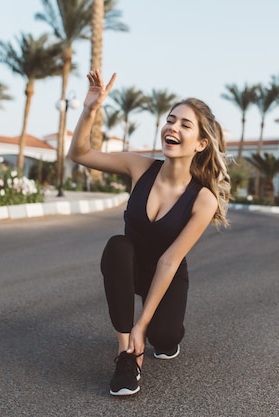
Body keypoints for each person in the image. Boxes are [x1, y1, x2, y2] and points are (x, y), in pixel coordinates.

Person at [68, 69, 231, 396]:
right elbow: (80, 154)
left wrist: (143, 325)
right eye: (171, 120)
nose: (173, 127)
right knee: (118, 246)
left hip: (167, 277)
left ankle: (156, 335)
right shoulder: (140, 167)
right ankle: (126, 356)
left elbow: (170, 261)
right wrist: (90, 109)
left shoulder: (203, 200)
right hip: (130, 266)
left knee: (164, 337)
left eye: (185, 125)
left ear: (201, 143)